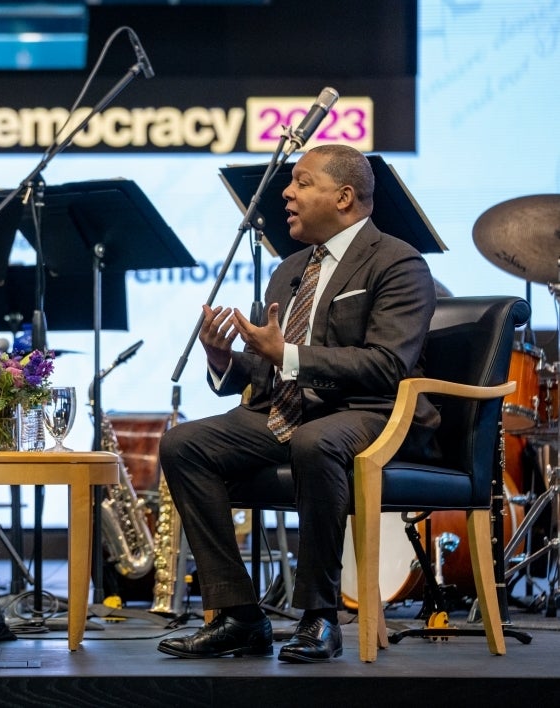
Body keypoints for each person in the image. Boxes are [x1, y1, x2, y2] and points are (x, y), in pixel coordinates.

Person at [157, 144, 440, 663]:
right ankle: (241, 615)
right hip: (287, 411)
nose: (286, 193)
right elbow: (269, 369)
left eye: (302, 183)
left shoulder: (398, 262)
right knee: (184, 444)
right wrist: (224, 360)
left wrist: (287, 353)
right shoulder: (288, 269)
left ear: (345, 196)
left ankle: (320, 617)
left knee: (314, 442)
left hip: (372, 411)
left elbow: (386, 366)